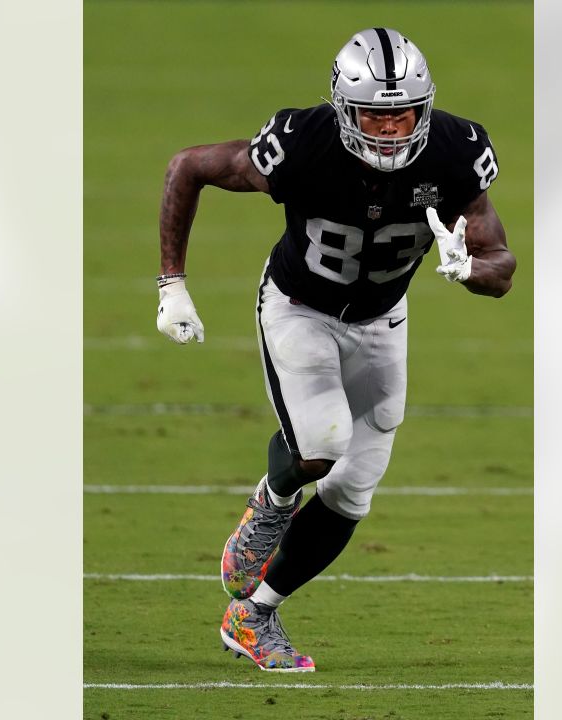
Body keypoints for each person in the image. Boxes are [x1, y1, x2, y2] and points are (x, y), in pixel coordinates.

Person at [154, 27, 515, 672]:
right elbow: (189, 165)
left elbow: (501, 264)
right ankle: (273, 500)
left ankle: (253, 615)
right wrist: (172, 284)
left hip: (382, 319)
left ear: (424, 108)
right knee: (321, 445)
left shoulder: (457, 153)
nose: (389, 129)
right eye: (374, 114)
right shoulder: (304, 144)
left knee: (354, 490)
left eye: (402, 113)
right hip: (299, 309)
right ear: (346, 111)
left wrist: (472, 268)